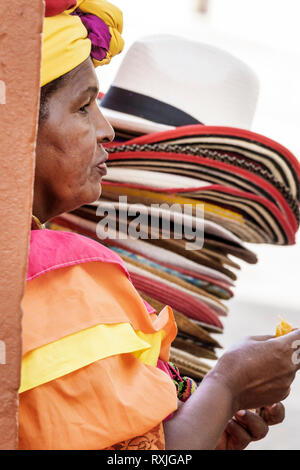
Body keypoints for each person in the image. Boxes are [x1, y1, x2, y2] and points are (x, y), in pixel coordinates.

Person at [19, 0, 300, 450]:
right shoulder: (55, 279)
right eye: (84, 106)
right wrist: (226, 387)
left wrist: (207, 422)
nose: (106, 131)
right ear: (19, 130)